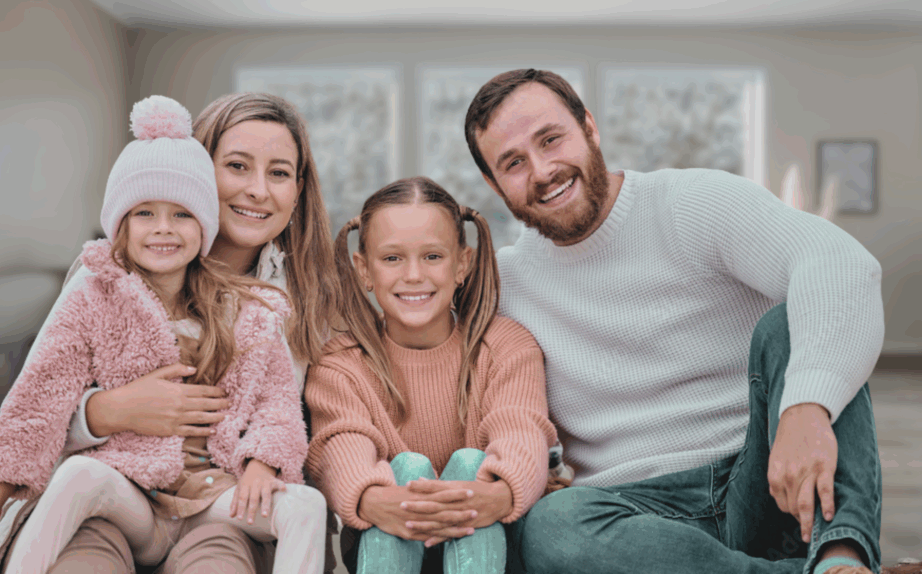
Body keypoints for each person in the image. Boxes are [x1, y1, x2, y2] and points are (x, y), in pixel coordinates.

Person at [457, 68, 886, 574]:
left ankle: (841, 556)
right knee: (553, 525)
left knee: (798, 321)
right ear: (492, 183)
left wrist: (805, 409)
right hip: (633, 516)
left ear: (589, 127)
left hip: (767, 475)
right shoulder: (503, 283)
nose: (543, 169)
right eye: (513, 162)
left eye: (551, 139)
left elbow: (841, 264)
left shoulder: (692, 203)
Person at [0, 92, 342, 574]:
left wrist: (268, 465)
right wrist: (105, 412)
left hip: (222, 509)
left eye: (279, 172)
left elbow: (290, 416)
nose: (258, 191)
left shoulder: (297, 300)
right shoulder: (103, 282)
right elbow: (37, 403)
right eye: (237, 166)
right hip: (110, 494)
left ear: (299, 187)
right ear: (201, 170)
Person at [306, 176, 557, 573]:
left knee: (472, 462)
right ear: (364, 269)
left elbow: (520, 427)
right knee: (406, 469)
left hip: (492, 538)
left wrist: (499, 493)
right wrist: (372, 497)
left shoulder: (506, 346)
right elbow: (343, 442)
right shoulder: (341, 363)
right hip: (387, 535)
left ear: (462, 264)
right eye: (392, 259)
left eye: (432, 257)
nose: (413, 275)